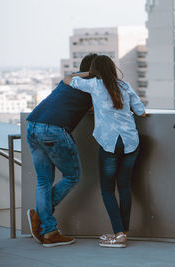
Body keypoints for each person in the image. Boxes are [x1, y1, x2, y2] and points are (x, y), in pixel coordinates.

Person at [63, 55, 146, 248]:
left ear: (95, 71)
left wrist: (90, 74)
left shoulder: (94, 84)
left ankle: (119, 235)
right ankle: (122, 232)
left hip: (110, 143)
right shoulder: (125, 86)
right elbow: (141, 111)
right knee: (124, 187)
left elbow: (67, 78)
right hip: (131, 141)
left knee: (107, 190)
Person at [26, 53, 97, 247]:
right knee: (72, 176)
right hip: (53, 130)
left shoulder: (70, 80)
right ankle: (44, 220)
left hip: (32, 124)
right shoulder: (93, 86)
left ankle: (48, 230)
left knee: (43, 181)